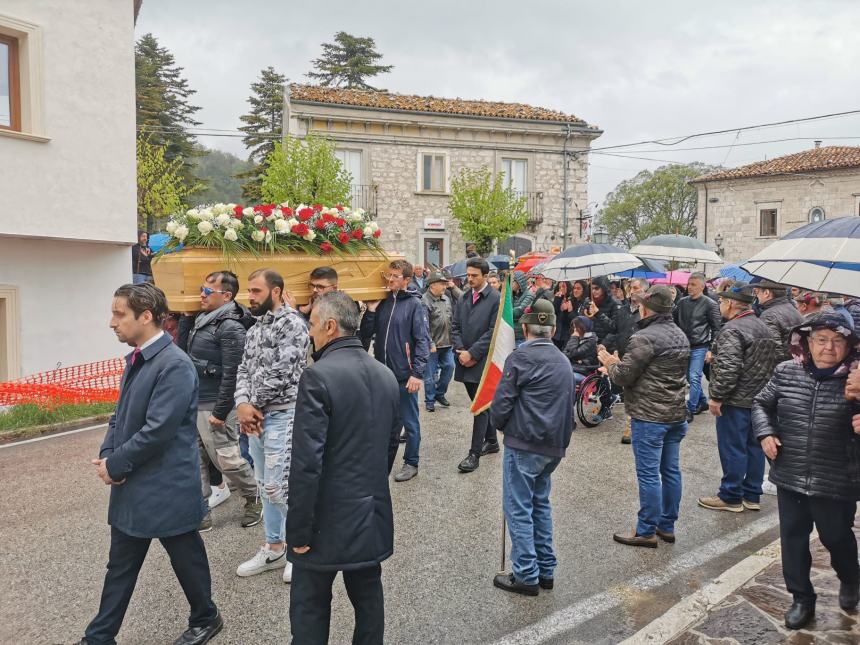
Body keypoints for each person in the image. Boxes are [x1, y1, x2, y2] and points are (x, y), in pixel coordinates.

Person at [81, 283, 221, 645]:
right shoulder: (139, 357)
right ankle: (99, 637)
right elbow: (120, 415)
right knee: (120, 567)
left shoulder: (174, 365)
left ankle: (206, 617)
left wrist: (116, 465)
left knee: (186, 560)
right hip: (135, 481)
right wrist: (108, 453)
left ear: (146, 317)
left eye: (119, 314)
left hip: (166, 486)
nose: (112, 322)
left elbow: (157, 431)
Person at [286, 292, 401, 645]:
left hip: (325, 519)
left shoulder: (318, 377)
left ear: (331, 326)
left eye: (313, 325)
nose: (310, 334)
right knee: (368, 601)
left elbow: (307, 463)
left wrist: (299, 532)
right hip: (370, 512)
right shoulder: (385, 374)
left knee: (310, 604)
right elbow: (390, 445)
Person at [752, 313, 860, 630]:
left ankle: (851, 578)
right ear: (807, 343)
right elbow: (761, 404)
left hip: (838, 476)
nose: (829, 347)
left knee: (836, 536)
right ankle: (802, 598)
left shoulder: (855, 379)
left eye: (837, 340)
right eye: (821, 340)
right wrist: (765, 433)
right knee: (793, 539)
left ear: (849, 345)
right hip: (791, 473)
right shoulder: (786, 372)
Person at [489, 299, 575, 596]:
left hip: (525, 442)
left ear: (525, 328)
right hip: (553, 445)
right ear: (551, 329)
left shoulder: (520, 358)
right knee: (540, 504)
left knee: (519, 507)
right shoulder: (563, 360)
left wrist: (501, 426)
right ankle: (546, 570)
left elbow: (501, 405)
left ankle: (526, 574)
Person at [598, 285, 690, 548]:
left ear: (646, 308)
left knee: (649, 474)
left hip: (650, 416)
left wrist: (609, 362)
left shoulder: (645, 337)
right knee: (670, 471)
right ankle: (666, 525)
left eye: (640, 304)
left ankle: (646, 529)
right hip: (675, 413)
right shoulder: (680, 335)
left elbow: (624, 376)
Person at [234, 269, 309, 583]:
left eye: (256, 291)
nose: (250, 297)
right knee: (265, 485)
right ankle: (274, 546)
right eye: (248, 291)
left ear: (276, 291)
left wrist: (252, 407)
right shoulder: (254, 329)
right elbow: (244, 368)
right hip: (256, 417)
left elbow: (282, 372)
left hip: (282, 415)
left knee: (280, 486)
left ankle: (299, 549)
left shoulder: (292, 325)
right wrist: (241, 405)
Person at [179, 271, 261, 531]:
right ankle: (200, 511)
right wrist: (185, 319)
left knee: (228, 461)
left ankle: (254, 497)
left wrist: (222, 411)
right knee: (196, 460)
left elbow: (234, 373)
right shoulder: (203, 319)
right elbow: (185, 354)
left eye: (207, 292)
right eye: (202, 290)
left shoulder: (231, 327)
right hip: (196, 401)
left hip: (216, 404)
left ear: (226, 296)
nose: (201, 295)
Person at [697, 282, 777, 513]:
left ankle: (731, 495)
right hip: (759, 398)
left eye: (722, 301)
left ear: (731, 303)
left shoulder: (733, 329)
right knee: (753, 446)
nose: (720, 304)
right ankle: (751, 494)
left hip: (737, 399)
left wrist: (716, 396)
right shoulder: (762, 326)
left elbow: (730, 368)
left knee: (733, 447)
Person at [360, 259, 430, 483]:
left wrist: (417, 373)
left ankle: (412, 462)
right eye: (388, 276)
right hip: (383, 373)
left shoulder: (414, 305)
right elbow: (366, 335)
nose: (390, 280)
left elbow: (422, 340)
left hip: (405, 375)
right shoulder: (383, 302)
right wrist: (370, 311)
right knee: (384, 421)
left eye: (395, 277)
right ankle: (380, 462)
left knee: (410, 422)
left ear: (407, 280)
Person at [452, 257, 501, 473]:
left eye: (474, 276)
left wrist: (473, 353)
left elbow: (493, 331)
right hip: (464, 358)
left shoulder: (495, 298)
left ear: (485, 276)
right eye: (468, 275)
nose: (470, 279)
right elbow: (454, 326)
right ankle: (492, 440)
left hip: (483, 361)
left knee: (479, 406)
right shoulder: (463, 298)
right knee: (480, 403)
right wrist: (462, 351)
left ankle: (474, 454)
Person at [674, 272, 722, 423]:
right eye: (689, 284)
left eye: (693, 284)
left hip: (700, 346)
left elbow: (716, 328)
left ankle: (690, 408)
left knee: (694, 377)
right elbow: (674, 323)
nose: (689, 287)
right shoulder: (681, 303)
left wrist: (711, 350)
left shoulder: (710, 304)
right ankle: (701, 401)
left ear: (702, 286)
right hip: (684, 346)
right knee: (689, 376)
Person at [614, 278, 647, 444]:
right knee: (628, 391)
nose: (632, 290)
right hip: (624, 353)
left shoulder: (647, 311)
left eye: (636, 287)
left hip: (640, 355)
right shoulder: (623, 309)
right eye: (631, 287)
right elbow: (616, 330)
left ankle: (633, 426)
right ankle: (632, 424)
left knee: (637, 390)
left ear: (644, 290)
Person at [422, 271, 455, 412]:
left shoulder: (446, 298)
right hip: (432, 345)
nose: (444, 287)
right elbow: (424, 325)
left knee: (449, 367)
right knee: (429, 376)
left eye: (445, 284)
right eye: (442, 284)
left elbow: (451, 319)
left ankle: (439, 393)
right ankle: (429, 400)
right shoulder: (424, 301)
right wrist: (430, 342)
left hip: (447, 343)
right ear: (432, 285)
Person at [752, 279, 804, 364]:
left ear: (766, 293)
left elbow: (772, 351)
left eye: (758, 292)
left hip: (783, 369)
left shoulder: (769, 315)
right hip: (797, 363)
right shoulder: (793, 308)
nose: (757, 296)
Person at [586, 276, 620, 352]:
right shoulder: (589, 301)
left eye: (597, 288)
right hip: (591, 344)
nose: (593, 291)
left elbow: (615, 328)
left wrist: (598, 313)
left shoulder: (615, 303)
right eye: (592, 288)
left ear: (604, 289)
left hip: (607, 348)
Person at [563, 316, 598, 385]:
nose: (575, 330)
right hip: (571, 368)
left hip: (582, 371)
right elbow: (564, 354)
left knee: (563, 377)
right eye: (574, 327)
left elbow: (574, 353)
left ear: (584, 327)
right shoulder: (576, 338)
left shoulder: (591, 342)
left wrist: (574, 338)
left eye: (577, 328)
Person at [511, 270, 537, 348]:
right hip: (511, 334)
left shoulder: (529, 295)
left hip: (521, 335)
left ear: (519, 282)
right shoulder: (512, 295)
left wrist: (506, 313)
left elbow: (518, 311)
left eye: (513, 282)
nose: (511, 284)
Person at [552, 281, 575, 350]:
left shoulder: (572, 299)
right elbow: (554, 312)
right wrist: (557, 300)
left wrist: (567, 310)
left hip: (566, 333)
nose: (561, 289)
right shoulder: (558, 298)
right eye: (559, 287)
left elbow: (572, 318)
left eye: (563, 286)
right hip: (556, 333)